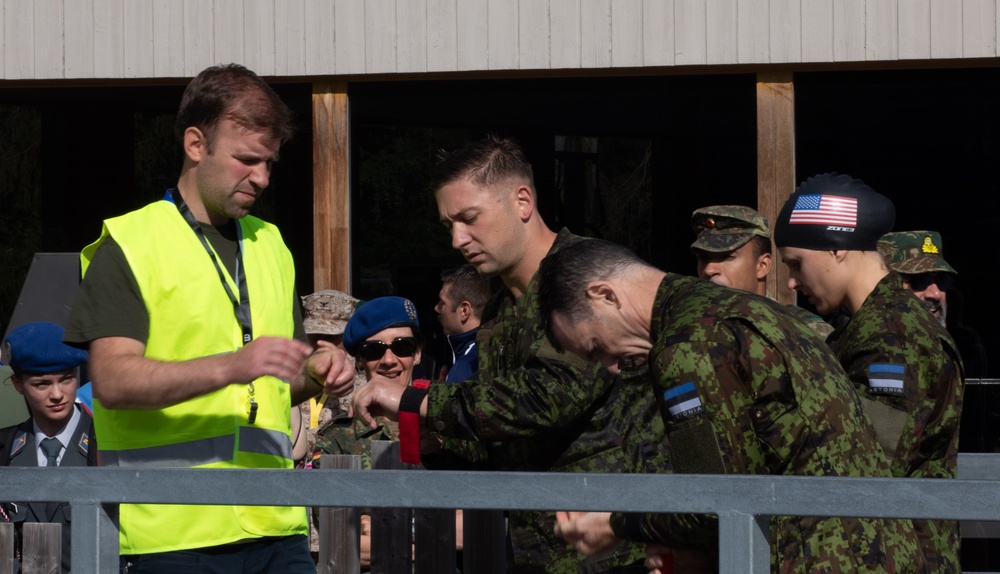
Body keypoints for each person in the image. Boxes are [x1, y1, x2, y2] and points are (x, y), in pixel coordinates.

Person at [63, 64, 355, 572]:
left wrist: (317, 371)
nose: (261, 178)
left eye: (269, 163)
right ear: (196, 145)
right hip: (172, 534)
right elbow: (112, 380)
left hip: (276, 525)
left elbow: (278, 385)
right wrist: (236, 364)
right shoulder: (130, 243)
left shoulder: (272, 245)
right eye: (246, 160)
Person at [352, 135, 666, 573]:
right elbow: (506, 442)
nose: (459, 239)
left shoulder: (587, 278)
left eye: (469, 218)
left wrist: (417, 400)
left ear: (522, 201)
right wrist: (440, 444)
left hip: (618, 551)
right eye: (449, 226)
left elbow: (547, 398)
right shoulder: (499, 309)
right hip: (537, 551)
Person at [536, 238, 925, 573]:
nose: (612, 367)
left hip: (820, 558)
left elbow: (714, 505)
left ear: (605, 294)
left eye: (596, 347)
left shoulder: (686, 347)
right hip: (882, 549)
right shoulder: (753, 310)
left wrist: (616, 524)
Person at [774, 173, 963, 573]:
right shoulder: (869, 326)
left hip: (890, 556)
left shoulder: (892, 335)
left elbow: (868, 460)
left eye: (796, 263)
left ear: (837, 250)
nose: (791, 281)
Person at [0, 321, 96, 573]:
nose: (57, 394)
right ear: (18, 384)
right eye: (42, 384)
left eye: (66, 379)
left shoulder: (104, 446)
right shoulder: (4, 448)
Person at [690, 205, 833, 337]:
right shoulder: (687, 328)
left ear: (762, 266)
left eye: (727, 257)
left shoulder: (803, 330)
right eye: (703, 258)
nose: (709, 269)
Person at [878, 230, 988, 377]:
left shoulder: (961, 348)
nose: (935, 294)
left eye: (943, 280)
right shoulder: (868, 344)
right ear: (887, 282)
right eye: (919, 281)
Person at [433, 264, 492, 383]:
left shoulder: (466, 367)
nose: (436, 308)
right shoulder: (494, 348)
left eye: (443, 303)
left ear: (464, 310)